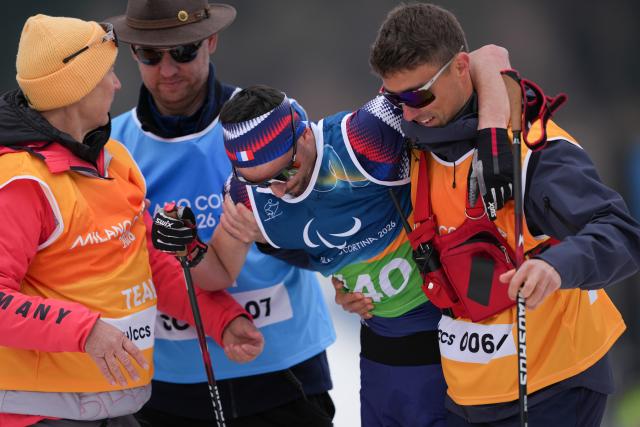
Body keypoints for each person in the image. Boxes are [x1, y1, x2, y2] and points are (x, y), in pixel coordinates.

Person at [156, 42, 508, 425]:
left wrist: (493, 139)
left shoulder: (364, 137)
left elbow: (486, 59)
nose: (278, 190)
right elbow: (219, 272)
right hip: (383, 345)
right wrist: (187, 250)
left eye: (285, 172)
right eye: (260, 183)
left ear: (305, 134)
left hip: (456, 328)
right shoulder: (247, 199)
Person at [367, 3, 640, 426]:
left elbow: (621, 235)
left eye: (419, 94)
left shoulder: (533, 150)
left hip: (554, 385)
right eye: (394, 98)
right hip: (468, 395)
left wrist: (556, 268)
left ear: (460, 68)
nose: (408, 112)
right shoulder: (410, 151)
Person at [0, 14, 263, 427]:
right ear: (78, 89)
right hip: (40, 414)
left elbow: (151, 262)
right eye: (107, 73)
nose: (118, 84)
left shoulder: (113, 161)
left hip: (116, 408)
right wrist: (85, 332)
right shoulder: (20, 182)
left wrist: (221, 319)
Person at [110, 1, 337, 425]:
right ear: (133, 53)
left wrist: (339, 273)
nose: (168, 68)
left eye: (183, 51)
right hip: (168, 383)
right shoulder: (112, 149)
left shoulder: (272, 120)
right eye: (151, 55)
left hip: (281, 369)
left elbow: (328, 222)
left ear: (210, 40)